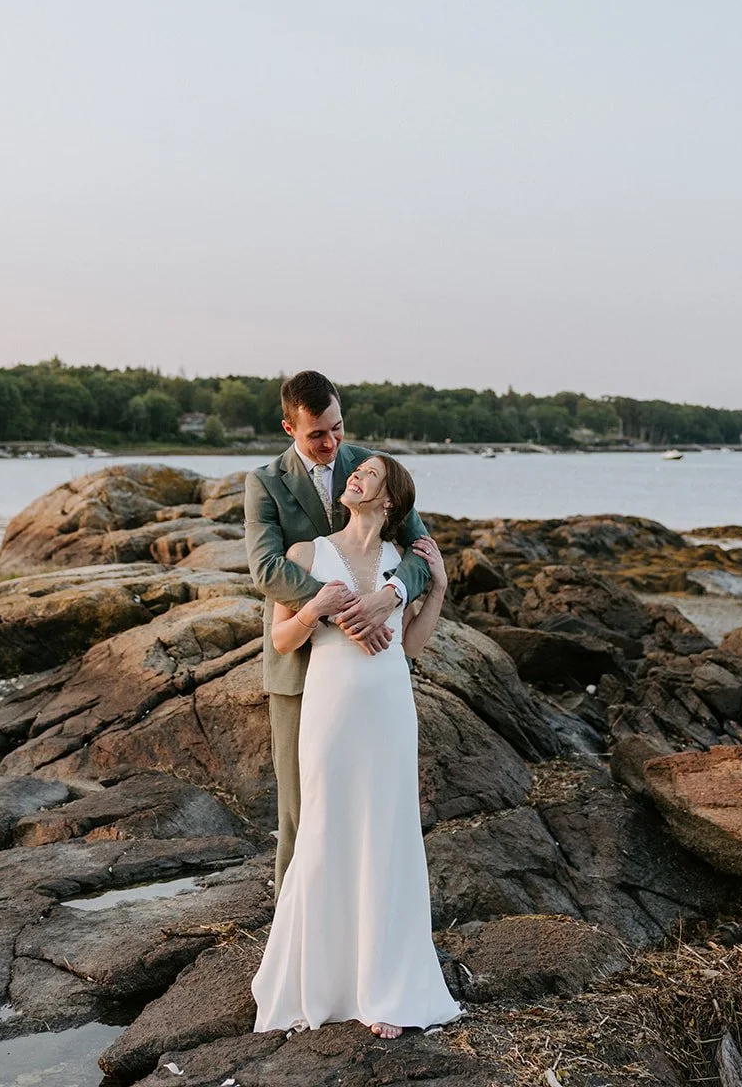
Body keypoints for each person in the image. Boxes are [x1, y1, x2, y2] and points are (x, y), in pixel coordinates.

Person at [250, 450, 461, 1038]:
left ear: (388, 498)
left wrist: (437, 586)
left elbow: (412, 645)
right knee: (325, 826)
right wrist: (315, 606)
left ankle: (385, 987)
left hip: (390, 707)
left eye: (368, 472)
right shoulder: (305, 555)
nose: (354, 474)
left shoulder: (401, 563)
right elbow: (284, 638)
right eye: (355, 469)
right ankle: (320, 980)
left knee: (387, 833)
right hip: (331, 708)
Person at [245, 371, 433, 895]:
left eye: (337, 428)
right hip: (299, 662)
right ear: (289, 427)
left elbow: (422, 554)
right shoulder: (264, 483)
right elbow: (266, 571)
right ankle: (292, 937)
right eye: (317, 435)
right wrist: (342, 610)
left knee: (369, 807)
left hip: (368, 669)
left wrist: (391, 596)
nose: (331, 444)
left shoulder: (371, 469)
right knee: (302, 812)